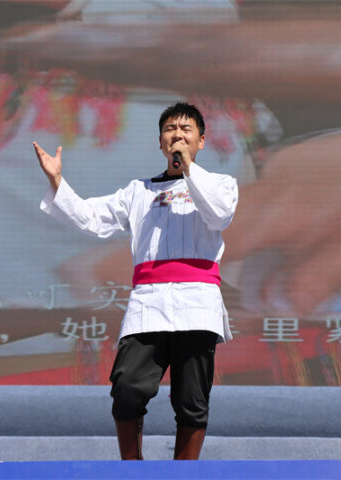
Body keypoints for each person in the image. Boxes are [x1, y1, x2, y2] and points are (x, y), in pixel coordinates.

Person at [35, 102, 235, 460]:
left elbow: (218, 214)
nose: (178, 135)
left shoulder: (221, 184)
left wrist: (188, 168)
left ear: (201, 141)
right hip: (148, 303)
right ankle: (132, 469)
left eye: (186, 129)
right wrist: (57, 181)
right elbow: (91, 218)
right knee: (127, 387)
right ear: (160, 142)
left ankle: (183, 473)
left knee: (191, 398)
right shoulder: (138, 191)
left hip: (197, 302)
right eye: (170, 129)